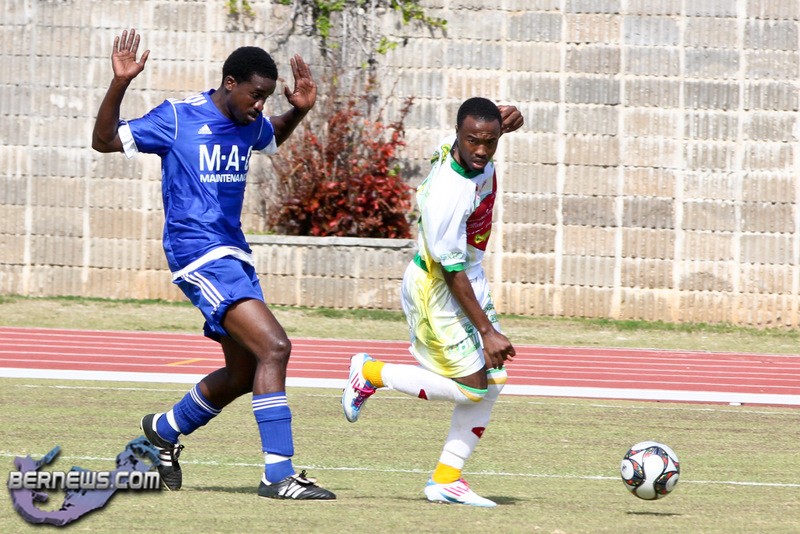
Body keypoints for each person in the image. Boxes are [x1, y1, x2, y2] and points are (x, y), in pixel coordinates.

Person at [92, 28, 335, 500]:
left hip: (234, 254)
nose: (260, 106)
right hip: (197, 253)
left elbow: (271, 136)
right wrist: (120, 82)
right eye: (255, 95)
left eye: (266, 98)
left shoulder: (250, 122)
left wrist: (298, 111)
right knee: (275, 348)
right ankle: (278, 475)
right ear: (230, 83)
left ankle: (162, 430)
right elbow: (104, 141)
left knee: (244, 373)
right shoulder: (177, 118)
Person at [342, 97, 523, 507]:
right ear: (458, 136)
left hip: (468, 278)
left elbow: (479, 129)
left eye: (490, 141)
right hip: (437, 289)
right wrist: (487, 331)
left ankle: (446, 480)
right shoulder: (448, 194)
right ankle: (371, 373)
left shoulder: (462, 147)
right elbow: (450, 272)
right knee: (472, 388)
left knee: (494, 379)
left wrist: (503, 121)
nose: (481, 150)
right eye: (473, 141)